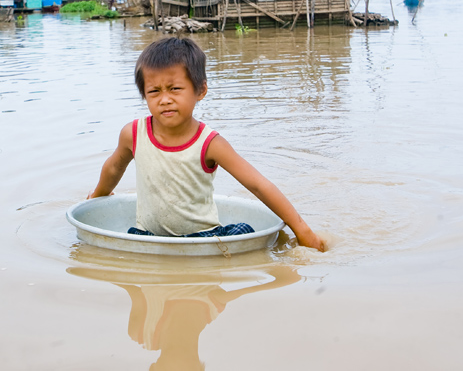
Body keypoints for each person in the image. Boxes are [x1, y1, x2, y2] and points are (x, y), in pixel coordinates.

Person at [88, 36, 325, 251]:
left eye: (175, 89)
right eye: (154, 91)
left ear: (200, 90)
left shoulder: (209, 143)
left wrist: (302, 231)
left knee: (246, 234)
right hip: (149, 237)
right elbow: (114, 167)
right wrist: (98, 197)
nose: (165, 99)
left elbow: (258, 185)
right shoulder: (133, 133)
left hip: (203, 239)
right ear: (144, 95)